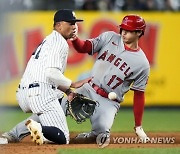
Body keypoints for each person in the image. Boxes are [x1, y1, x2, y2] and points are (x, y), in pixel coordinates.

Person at [1, 9, 91, 145]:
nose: (74, 27)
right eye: (70, 23)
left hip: (25, 94)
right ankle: (40, 129)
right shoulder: (59, 42)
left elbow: (46, 74)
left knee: (57, 103)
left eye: (75, 23)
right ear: (59, 25)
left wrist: (67, 91)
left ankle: (12, 134)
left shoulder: (48, 40)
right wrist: (73, 84)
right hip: (40, 93)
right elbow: (51, 73)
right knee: (62, 137)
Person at [65, 14, 150, 143]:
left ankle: (87, 137)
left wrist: (138, 126)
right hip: (88, 88)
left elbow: (139, 94)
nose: (124, 33)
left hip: (108, 102)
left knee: (101, 135)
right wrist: (75, 39)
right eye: (123, 29)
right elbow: (85, 47)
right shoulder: (110, 37)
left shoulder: (142, 63)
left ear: (139, 32)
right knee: (58, 108)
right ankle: (28, 127)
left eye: (128, 30)